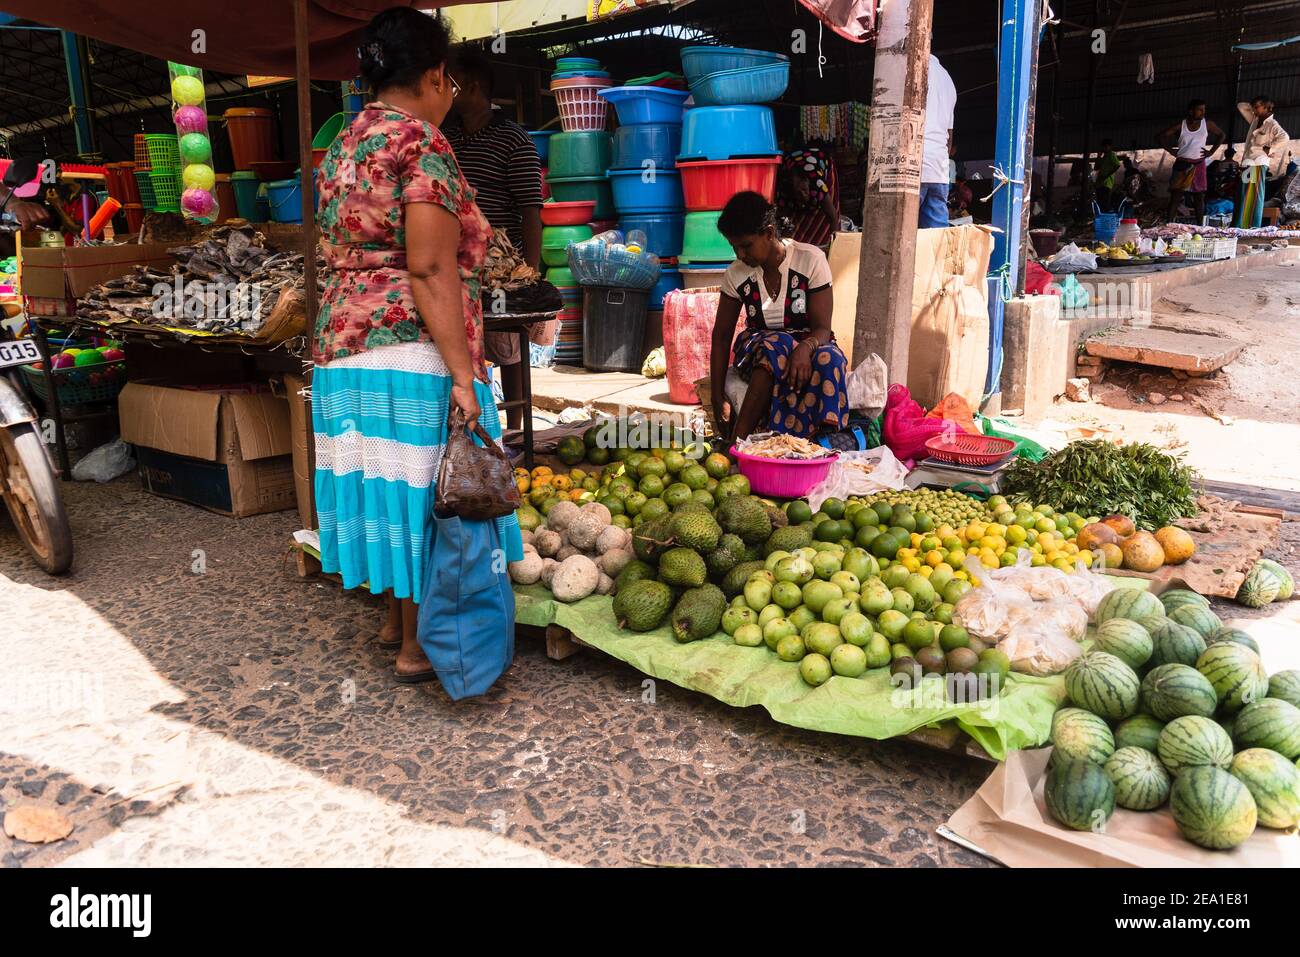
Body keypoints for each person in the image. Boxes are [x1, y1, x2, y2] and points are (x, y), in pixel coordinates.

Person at [312, 7, 522, 682]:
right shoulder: (421, 143)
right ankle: (418, 647)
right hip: (409, 345)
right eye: (450, 84)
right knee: (423, 491)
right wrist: (464, 374)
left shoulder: (346, 142)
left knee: (382, 480)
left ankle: (391, 619)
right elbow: (430, 267)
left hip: (345, 346)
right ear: (435, 76)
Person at [443, 45, 543, 431]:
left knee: (508, 347)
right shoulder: (446, 137)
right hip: (454, 263)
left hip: (501, 266)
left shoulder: (514, 140)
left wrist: (529, 272)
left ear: (470, 87)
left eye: (449, 83)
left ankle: (517, 426)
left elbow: (531, 210)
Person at [708, 191, 848, 441]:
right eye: (734, 247)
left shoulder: (810, 260)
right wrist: (716, 396)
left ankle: (818, 444)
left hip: (809, 340)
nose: (740, 254)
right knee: (779, 343)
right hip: (758, 347)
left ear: (770, 233)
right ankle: (739, 443)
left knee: (830, 360)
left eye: (746, 245)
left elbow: (823, 328)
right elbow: (721, 337)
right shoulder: (736, 274)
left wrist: (805, 348)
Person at [1158, 100, 1225, 223]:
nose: (1203, 112)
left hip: (1199, 164)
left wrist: (1211, 152)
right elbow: (1160, 136)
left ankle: (1200, 227)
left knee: (1199, 197)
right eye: (1200, 110)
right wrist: (1170, 150)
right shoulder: (1181, 125)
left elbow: (1222, 135)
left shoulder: (1207, 124)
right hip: (1182, 164)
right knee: (1176, 197)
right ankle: (1169, 224)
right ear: (1191, 111)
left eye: (1204, 109)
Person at [1236, 95, 1289, 228]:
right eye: (1253, 107)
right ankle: (1240, 225)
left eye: (1257, 106)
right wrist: (1255, 107)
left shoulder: (1272, 124)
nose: (1254, 109)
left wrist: (1270, 148)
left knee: (1255, 194)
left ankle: (1253, 225)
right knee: (1243, 193)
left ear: (1266, 107)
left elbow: (1285, 137)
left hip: (1258, 163)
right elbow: (1241, 106)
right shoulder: (1255, 120)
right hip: (1248, 162)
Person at [918, 54, 957, 228]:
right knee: (937, 239)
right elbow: (949, 133)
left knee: (900, 235)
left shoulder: (912, 68)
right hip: (939, 169)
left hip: (913, 167)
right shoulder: (947, 79)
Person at [775, 146, 839, 247]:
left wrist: (834, 247)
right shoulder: (783, 192)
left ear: (807, 182)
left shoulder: (818, 185)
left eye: (804, 190)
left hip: (819, 158)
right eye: (798, 193)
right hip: (793, 159)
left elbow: (833, 218)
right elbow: (782, 221)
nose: (804, 196)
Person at [1093, 139, 1122, 211]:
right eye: (1103, 147)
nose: (1104, 148)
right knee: (1100, 204)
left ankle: (1107, 218)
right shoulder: (1103, 157)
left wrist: (1107, 175)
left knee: (1105, 203)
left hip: (1106, 183)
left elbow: (1117, 165)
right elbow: (1096, 168)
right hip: (1099, 183)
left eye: (1106, 146)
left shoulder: (1111, 155)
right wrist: (1098, 156)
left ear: (1110, 147)